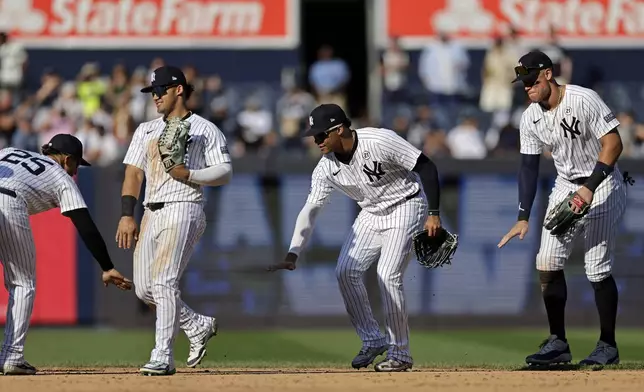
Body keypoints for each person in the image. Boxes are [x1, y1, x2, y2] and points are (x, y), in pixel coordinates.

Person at [268, 104, 442, 372]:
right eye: (314, 136)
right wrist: (294, 251)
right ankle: (372, 340)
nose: (317, 141)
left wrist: (434, 213)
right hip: (371, 213)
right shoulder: (325, 168)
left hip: (406, 204)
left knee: (387, 274)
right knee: (345, 271)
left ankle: (400, 354)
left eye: (321, 135)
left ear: (339, 129)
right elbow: (311, 209)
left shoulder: (379, 140)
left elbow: (426, 167)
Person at [498, 51, 629, 366]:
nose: (527, 87)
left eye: (530, 80)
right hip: (566, 184)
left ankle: (607, 345)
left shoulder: (583, 99)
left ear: (547, 74)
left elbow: (614, 145)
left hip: (603, 182)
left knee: (596, 267)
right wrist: (522, 216)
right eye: (523, 83)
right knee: (546, 261)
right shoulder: (530, 116)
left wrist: (588, 189)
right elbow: (528, 167)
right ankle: (558, 343)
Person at [115, 66, 232, 376]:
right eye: (152, 91)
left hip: (184, 204)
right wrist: (128, 214)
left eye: (161, 90)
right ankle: (196, 325)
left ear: (179, 89)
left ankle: (163, 355)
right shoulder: (145, 129)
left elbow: (225, 171)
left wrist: (190, 174)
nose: (155, 96)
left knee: (164, 281)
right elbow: (133, 173)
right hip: (150, 210)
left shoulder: (204, 128)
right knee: (144, 289)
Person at [0, 134, 132, 375]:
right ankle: (12, 356)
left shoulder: (8, 151)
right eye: (76, 165)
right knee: (22, 283)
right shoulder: (61, 177)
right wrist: (107, 265)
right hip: (10, 204)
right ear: (67, 159)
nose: (75, 171)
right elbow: (85, 225)